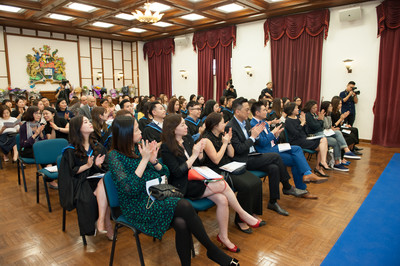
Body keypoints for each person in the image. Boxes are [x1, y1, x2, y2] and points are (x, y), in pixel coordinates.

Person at [108, 116, 238, 266]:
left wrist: (154, 161)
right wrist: (144, 160)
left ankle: (201, 257)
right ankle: (212, 250)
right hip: (137, 206)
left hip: (153, 196)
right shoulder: (114, 156)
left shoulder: (138, 148)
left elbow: (166, 173)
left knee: (181, 222)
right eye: (136, 129)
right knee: (183, 205)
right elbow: (129, 189)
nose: (140, 131)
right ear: (125, 134)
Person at [161, 114, 264, 253]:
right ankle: (243, 214)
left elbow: (199, 163)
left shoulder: (188, 139)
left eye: (185, 124)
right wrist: (193, 155)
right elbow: (177, 173)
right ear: (173, 129)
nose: (186, 127)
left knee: (222, 199)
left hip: (197, 176)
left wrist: (201, 154)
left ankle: (223, 236)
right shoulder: (166, 147)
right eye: (182, 125)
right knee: (221, 184)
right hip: (184, 184)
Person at [226, 97, 307, 216]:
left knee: (274, 168)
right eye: (247, 109)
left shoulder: (246, 122)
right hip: (244, 159)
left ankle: (273, 202)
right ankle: (287, 186)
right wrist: (253, 137)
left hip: (253, 154)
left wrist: (258, 136)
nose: (249, 112)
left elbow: (256, 141)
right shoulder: (231, 126)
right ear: (237, 111)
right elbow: (239, 149)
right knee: (275, 156)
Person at [200, 112, 265, 234]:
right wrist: (225, 143)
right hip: (217, 170)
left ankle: (251, 213)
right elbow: (216, 160)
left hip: (229, 166)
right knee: (246, 186)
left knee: (256, 181)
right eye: (222, 122)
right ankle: (240, 220)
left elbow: (231, 154)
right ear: (214, 125)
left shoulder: (222, 135)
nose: (225, 124)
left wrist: (228, 141)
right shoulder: (207, 139)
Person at [250, 102, 327, 199]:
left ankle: (304, 182)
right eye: (264, 110)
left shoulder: (264, 123)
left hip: (274, 147)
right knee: (296, 155)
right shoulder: (252, 124)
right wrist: (272, 134)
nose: (267, 111)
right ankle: (306, 179)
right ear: (257, 112)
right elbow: (261, 143)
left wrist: (276, 136)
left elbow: (271, 140)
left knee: (296, 152)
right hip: (266, 152)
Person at [58, 116, 112, 240]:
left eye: (89, 121)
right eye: (85, 122)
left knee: (109, 190)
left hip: (96, 177)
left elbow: (106, 166)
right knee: (88, 198)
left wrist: (97, 165)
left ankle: (104, 221)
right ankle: (99, 225)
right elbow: (70, 172)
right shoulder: (70, 150)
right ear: (78, 128)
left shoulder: (97, 146)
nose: (90, 123)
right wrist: (88, 165)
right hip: (79, 181)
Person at [303, 100, 360, 172]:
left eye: (316, 107)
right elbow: (316, 126)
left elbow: (321, 127)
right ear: (310, 108)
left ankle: (346, 151)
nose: (316, 109)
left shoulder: (316, 115)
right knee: (335, 141)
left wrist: (320, 121)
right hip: (315, 135)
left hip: (322, 132)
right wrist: (320, 120)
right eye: (314, 108)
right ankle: (337, 162)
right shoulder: (308, 115)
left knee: (338, 133)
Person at [284, 102, 331, 177]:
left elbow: (306, 131)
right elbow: (295, 133)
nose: (298, 109)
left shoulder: (298, 118)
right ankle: (319, 167)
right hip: (297, 141)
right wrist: (302, 123)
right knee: (322, 146)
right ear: (291, 110)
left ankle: (322, 163)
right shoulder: (288, 121)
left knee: (323, 140)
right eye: (296, 108)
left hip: (304, 138)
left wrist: (304, 122)